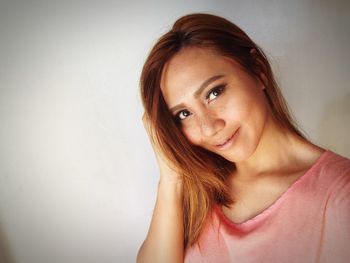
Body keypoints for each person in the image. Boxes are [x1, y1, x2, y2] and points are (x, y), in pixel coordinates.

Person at [137, 13, 350, 263]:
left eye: (214, 93)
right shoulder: (195, 195)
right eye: (184, 114)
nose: (208, 128)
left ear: (258, 70)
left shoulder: (340, 196)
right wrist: (171, 179)